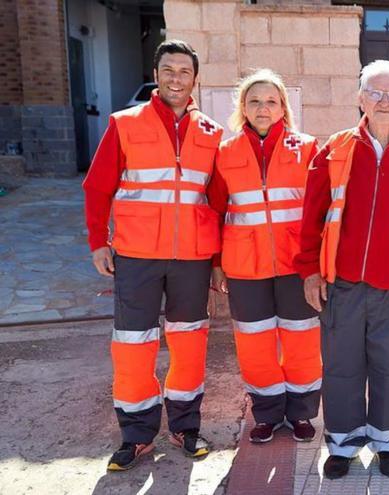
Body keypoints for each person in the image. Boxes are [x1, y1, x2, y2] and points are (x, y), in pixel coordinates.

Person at [294, 60, 389, 479]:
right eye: (375, 93)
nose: (384, 101)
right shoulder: (334, 148)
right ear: (360, 98)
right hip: (340, 285)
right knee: (341, 367)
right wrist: (309, 269)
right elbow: (311, 216)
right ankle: (342, 445)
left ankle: (386, 443)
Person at [83, 40, 223, 471]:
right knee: (132, 346)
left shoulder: (212, 132)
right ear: (157, 74)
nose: (176, 78)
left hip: (192, 259)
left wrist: (217, 260)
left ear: (195, 79)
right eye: (168, 70)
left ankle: (185, 426)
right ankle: (137, 435)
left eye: (184, 71)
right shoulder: (125, 124)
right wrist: (97, 241)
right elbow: (97, 186)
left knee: (190, 343)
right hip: (136, 255)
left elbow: (217, 201)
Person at [208, 69, 321, 444]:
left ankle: (302, 414)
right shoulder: (225, 153)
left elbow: (321, 211)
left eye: (271, 101)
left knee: (302, 341)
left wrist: (317, 265)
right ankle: (268, 414)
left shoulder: (307, 148)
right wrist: (217, 263)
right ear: (243, 107)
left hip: (296, 266)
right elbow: (216, 211)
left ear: (283, 108)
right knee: (254, 344)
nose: (263, 107)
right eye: (254, 100)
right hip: (245, 267)